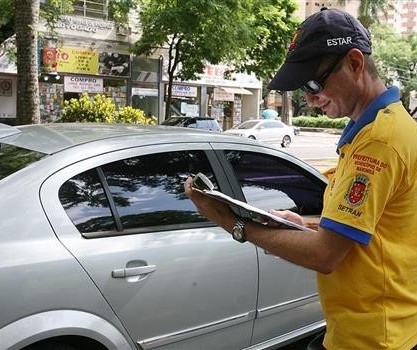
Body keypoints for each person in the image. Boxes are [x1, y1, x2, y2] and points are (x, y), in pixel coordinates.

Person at [184, 7, 417, 350]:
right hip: (370, 329)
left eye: (314, 83)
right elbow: (371, 228)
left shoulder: (379, 142)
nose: (309, 99)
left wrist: (234, 223)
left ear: (354, 63)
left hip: (373, 338)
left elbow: (325, 255)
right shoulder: (379, 129)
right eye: (302, 89)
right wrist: (304, 224)